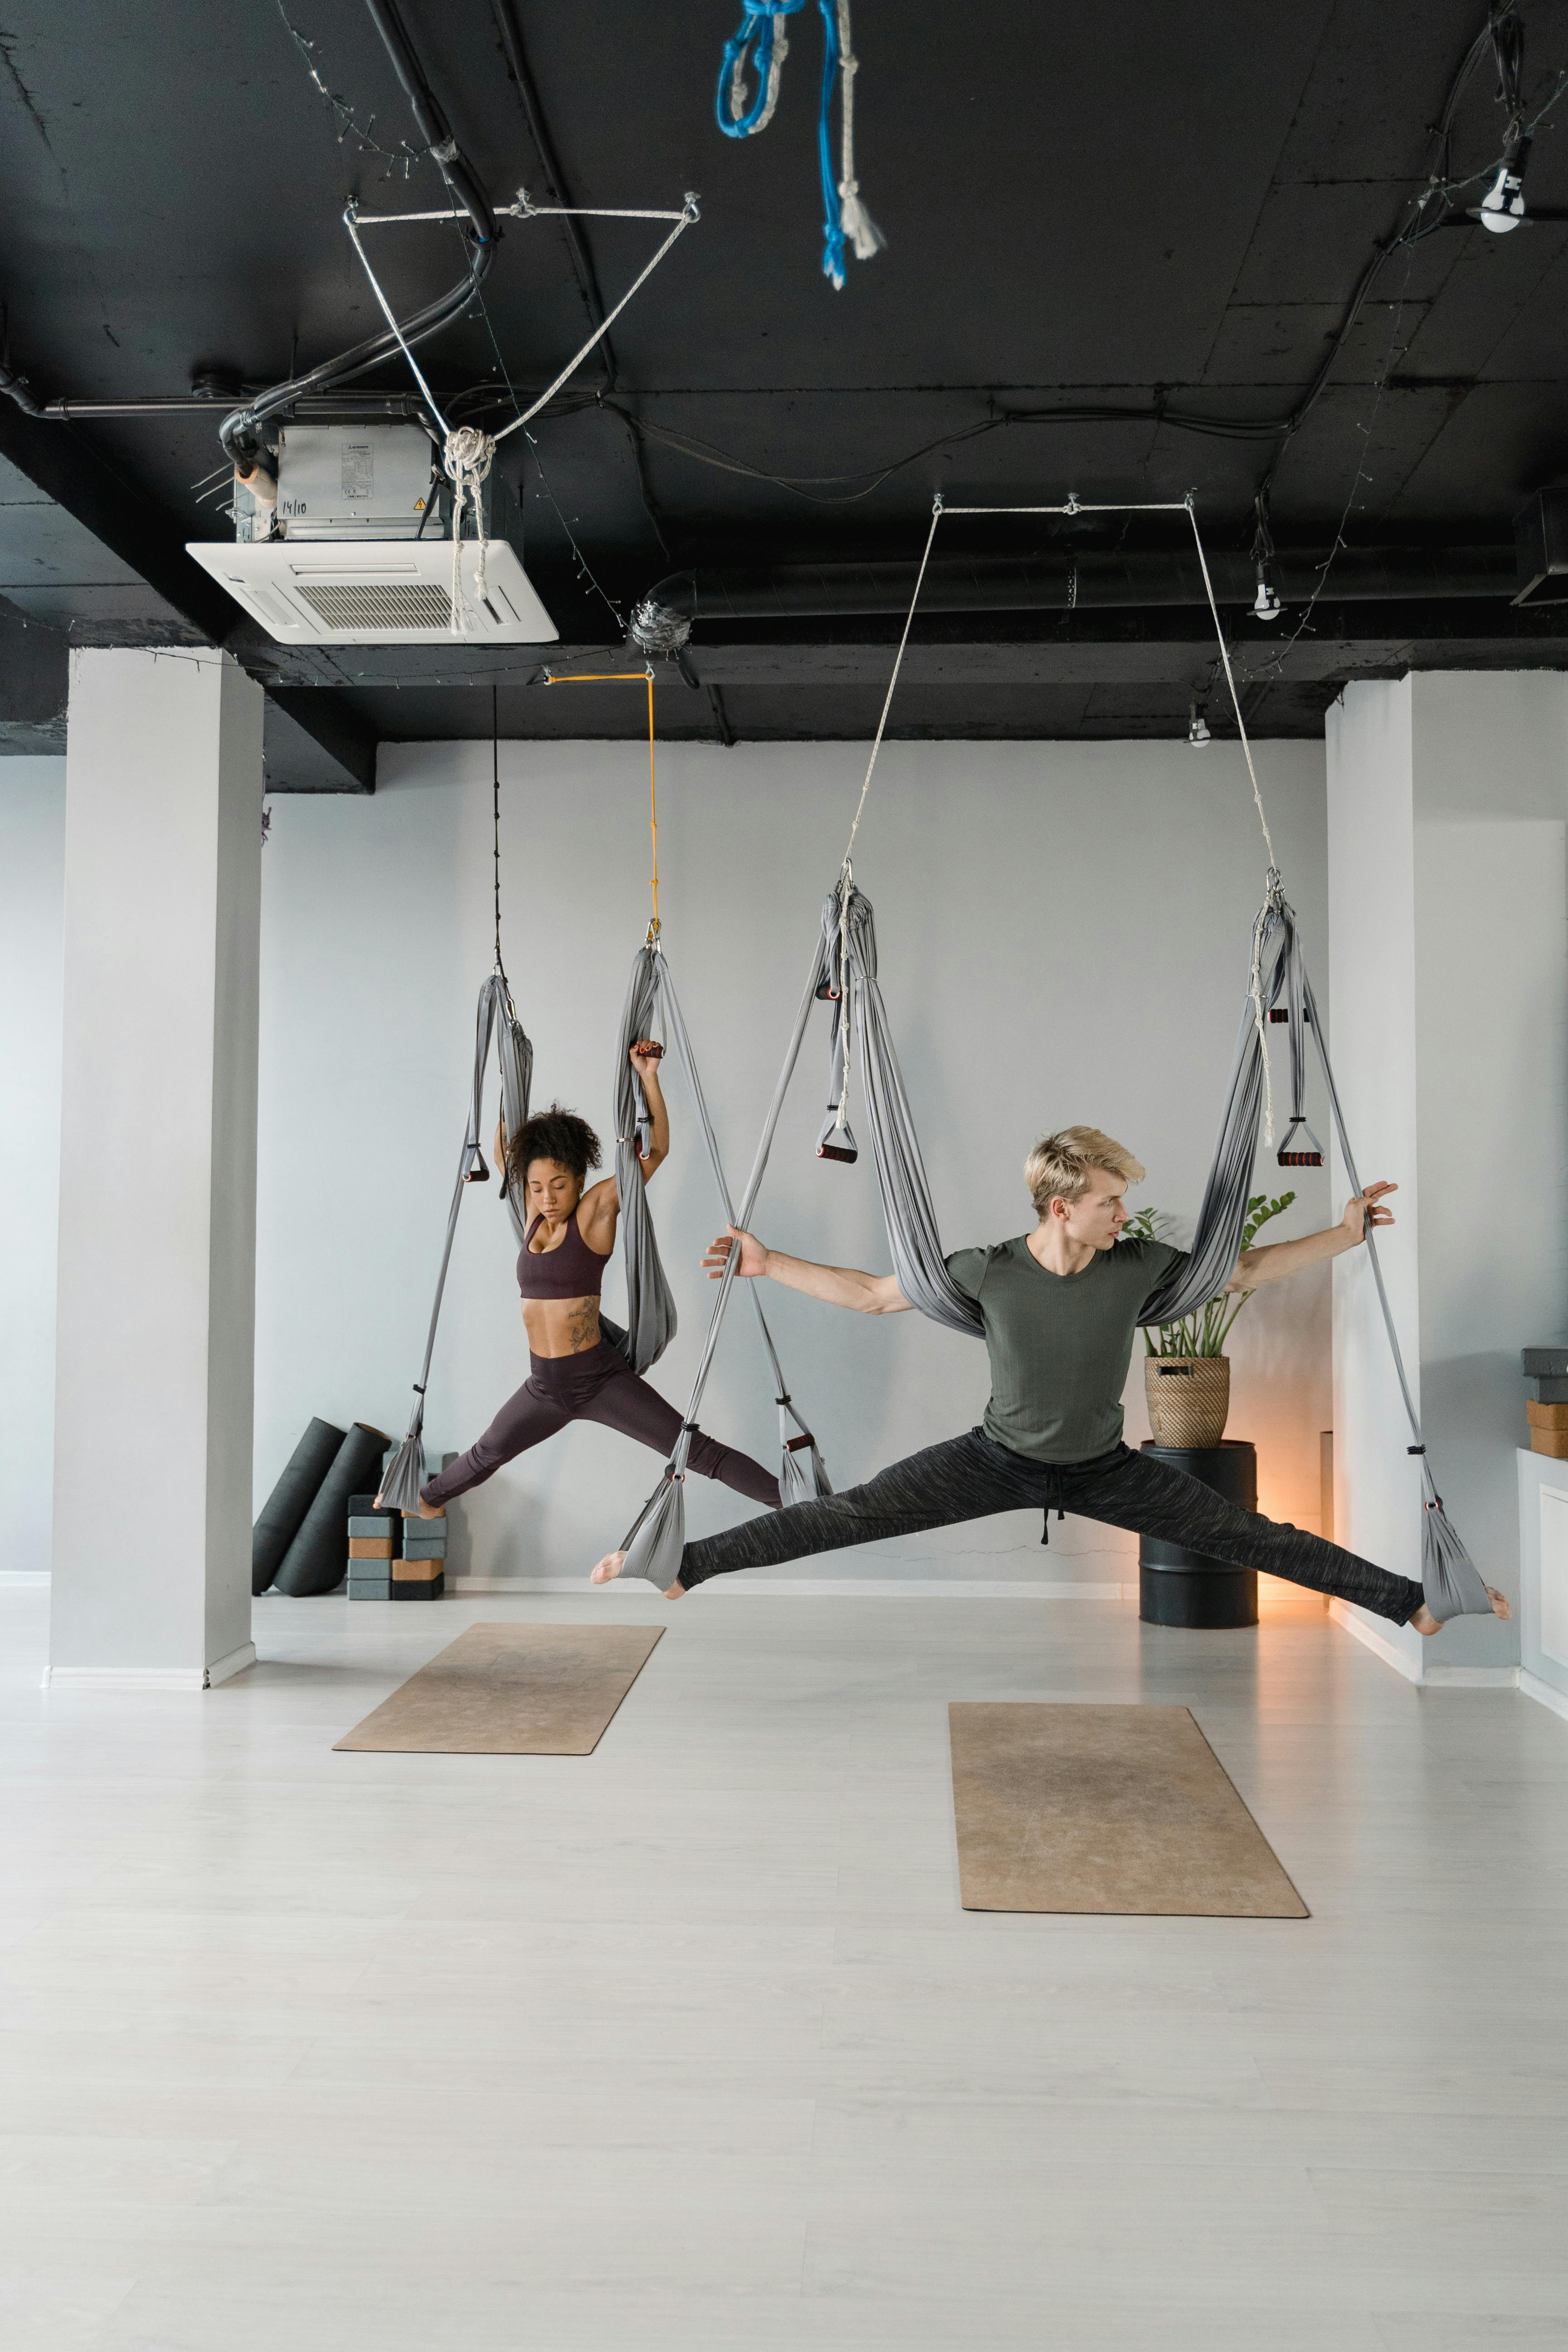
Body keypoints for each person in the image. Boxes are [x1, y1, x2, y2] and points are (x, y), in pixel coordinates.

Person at [590, 1124, 1509, 1634]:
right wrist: (767, 1263)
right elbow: (874, 1294)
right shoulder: (988, 1269)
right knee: (846, 1514)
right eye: (1111, 1199)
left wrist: (1346, 1233)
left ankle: (1414, 1601)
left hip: (1105, 1465)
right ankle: (683, 1565)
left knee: (1249, 1535)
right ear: (1063, 1207)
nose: (1125, 1210)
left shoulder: (1137, 1263)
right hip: (995, 1459)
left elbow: (1240, 1271)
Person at [411, 1042, 781, 1518]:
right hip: (542, 1386)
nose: (547, 1197)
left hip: (597, 1380)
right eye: (538, 1187)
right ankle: (426, 1499)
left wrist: (647, 1077)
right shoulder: (531, 1215)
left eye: (559, 1186)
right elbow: (508, 1155)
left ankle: (800, 1502)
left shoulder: (594, 1212)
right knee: (488, 1452)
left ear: (581, 1180)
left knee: (696, 1451)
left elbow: (656, 1152)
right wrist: (509, 1079)